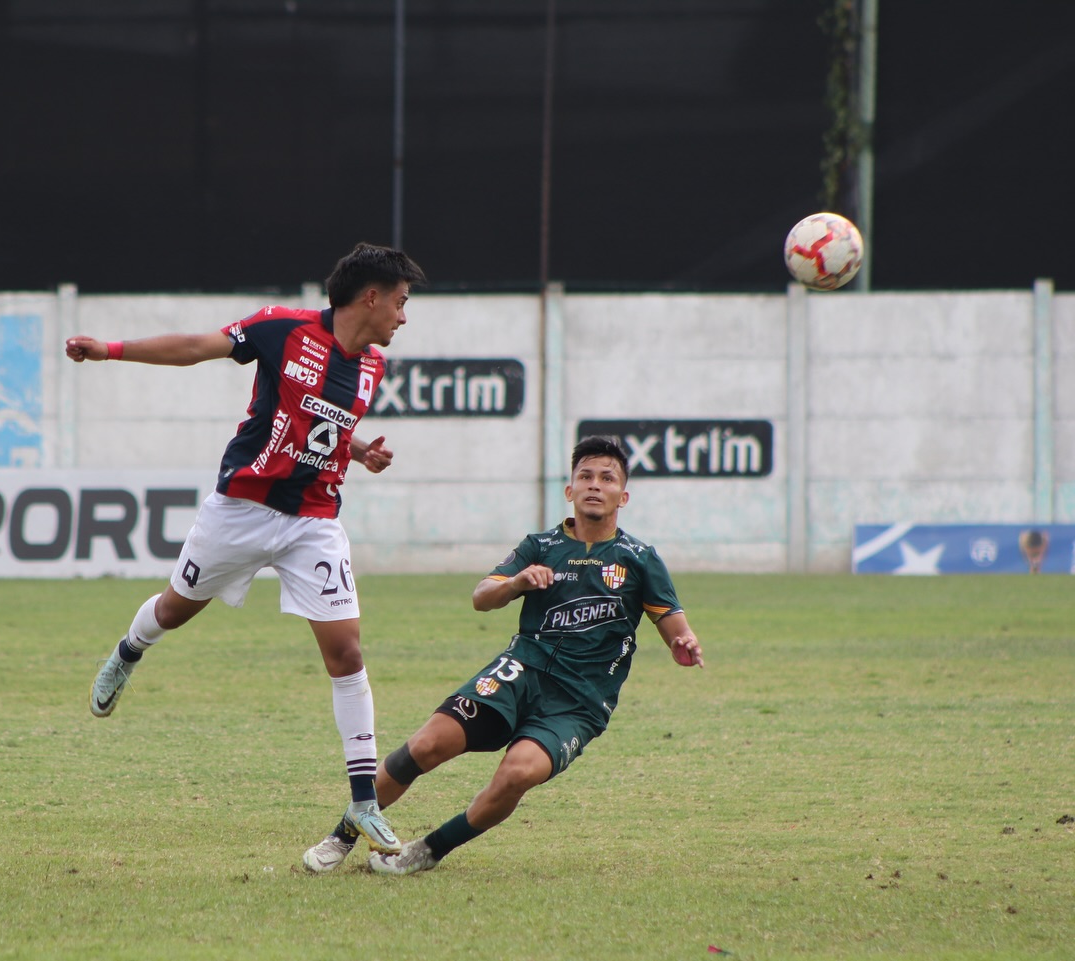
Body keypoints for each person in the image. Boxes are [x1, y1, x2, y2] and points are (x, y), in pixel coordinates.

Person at [65, 242, 427, 857]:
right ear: (371, 296)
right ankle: (130, 649)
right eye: (401, 301)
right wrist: (111, 351)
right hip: (240, 509)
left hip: (313, 519)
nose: (403, 315)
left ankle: (364, 801)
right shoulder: (281, 328)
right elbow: (194, 348)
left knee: (347, 651)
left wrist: (358, 449)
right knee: (176, 609)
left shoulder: (372, 367)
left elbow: (324, 419)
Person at [301, 434, 704, 874]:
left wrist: (682, 644)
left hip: (579, 702)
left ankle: (430, 849)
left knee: (517, 774)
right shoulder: (541, 547)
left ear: (622, 496)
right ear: (569, 490)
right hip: (517, 674)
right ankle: (341, 836)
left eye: (607, 478)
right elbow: (481, 596)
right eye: (585, 476)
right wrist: (516, 584)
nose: (594, 485)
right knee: (425, 745)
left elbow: (675, 629)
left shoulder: (641, 559)